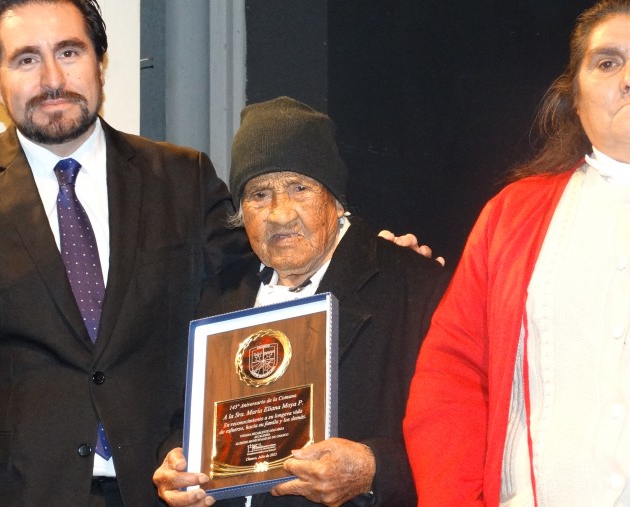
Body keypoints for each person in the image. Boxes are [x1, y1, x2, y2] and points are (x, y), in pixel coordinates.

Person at [0, 0, 250, 505]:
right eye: (26, 59)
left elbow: (240, 319)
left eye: (69, 52)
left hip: (164, 490)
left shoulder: (184, 179)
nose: (53, 79)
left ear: (100, 63)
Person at [153, 97, 449, 507]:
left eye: (299, 188)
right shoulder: (219, 294)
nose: (279, 214)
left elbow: (456, 431)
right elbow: (180, 420)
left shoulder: (413, 285)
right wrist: (175, 463)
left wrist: (373, 469)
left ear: (337, 200)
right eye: (259, 194)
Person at [403, 1, 630, 505]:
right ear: (573, 97)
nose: (628, 79)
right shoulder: (512, 216)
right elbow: (451, 379)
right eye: (607, 62)